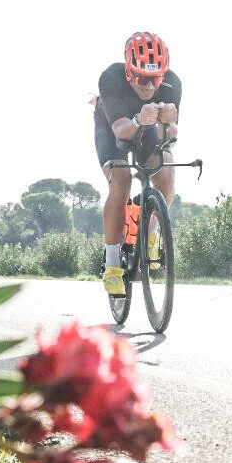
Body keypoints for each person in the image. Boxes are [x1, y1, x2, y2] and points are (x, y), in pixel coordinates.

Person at [93, 31, 181, 296]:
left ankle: (151, 231)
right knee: (121, 181)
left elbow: (170, 137)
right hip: (114, 127)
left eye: (155, 79)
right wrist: (139, 120)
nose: (149, 86)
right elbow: (121, 131)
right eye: (142, 78)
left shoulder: (172, 84)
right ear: (129, 73)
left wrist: (168, 124)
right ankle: (111, 265)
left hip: (148, 127)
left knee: (166, 171)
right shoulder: (111, 78)